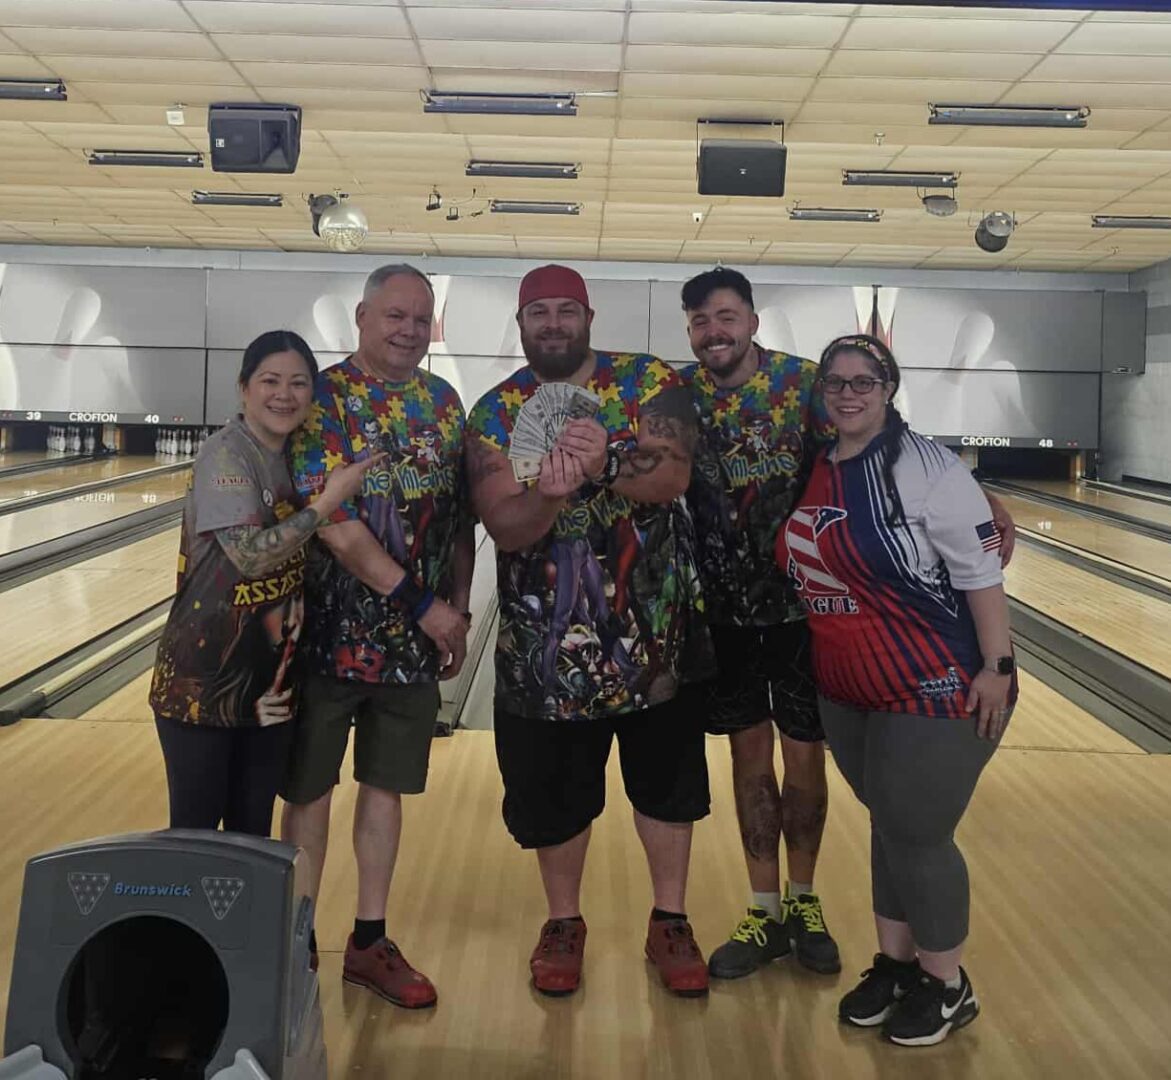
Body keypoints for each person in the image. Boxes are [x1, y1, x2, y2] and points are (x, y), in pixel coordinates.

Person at [466, 264, 714, 998]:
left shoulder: (647, 381)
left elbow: (668, 477)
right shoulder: (496, 410)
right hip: (543, 659)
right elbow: (505, 528)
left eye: (564, 310)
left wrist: (601, 464)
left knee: (667, 792)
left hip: (655, 646)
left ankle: (669, 918)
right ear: (520, 323)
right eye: (537, 311)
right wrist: (547, 494)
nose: (551, 323)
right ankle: (563, 923)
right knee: (557, 797)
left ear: (587, 316)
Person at [777, 333, 1016, 1047]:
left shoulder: (927, 469)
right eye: (836, 381)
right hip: (847, 685)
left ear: (888, 389)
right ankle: (895, 966)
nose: (848, 392)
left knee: (918, 832)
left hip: (937, 679)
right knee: (890, 825)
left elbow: (980, 574)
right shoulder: (817, 464)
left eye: (864, 380)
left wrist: (995, 667)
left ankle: (948, 987)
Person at [283, 264, 475, 1009]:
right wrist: (426, 605)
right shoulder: (321, 399)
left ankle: (368, 940)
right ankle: (295, 939)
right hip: (324, 639)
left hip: (411, 650)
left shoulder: (442, 401)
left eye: (420, 320)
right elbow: (334, 528)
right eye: (395, 315)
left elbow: (458, 516)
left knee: (386, 788)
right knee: (308, 791)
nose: (408, 330)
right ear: (362, 316)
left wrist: (457, 603)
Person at [678, 268, 842, 978]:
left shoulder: (804, 386)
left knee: (804, 755)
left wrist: (973, 500)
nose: (713, 332)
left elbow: (880, 444)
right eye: (700, 322)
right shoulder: (677, 395)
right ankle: (763, 910)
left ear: (750, 319)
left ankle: (805, 901)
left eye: (724, 316)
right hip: (726, 614)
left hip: (806, 609)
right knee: (748, 759)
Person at [149, 329, 375, 837]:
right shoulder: (225, 454)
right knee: (197, 837)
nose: (284, 394)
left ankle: (240, 922)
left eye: (298, 383)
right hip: (202, 684)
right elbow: (249, 557)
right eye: (270, 380)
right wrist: (325, 505)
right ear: (244, 387)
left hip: (271, 687)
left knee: (251, 836)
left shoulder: (300, 456)